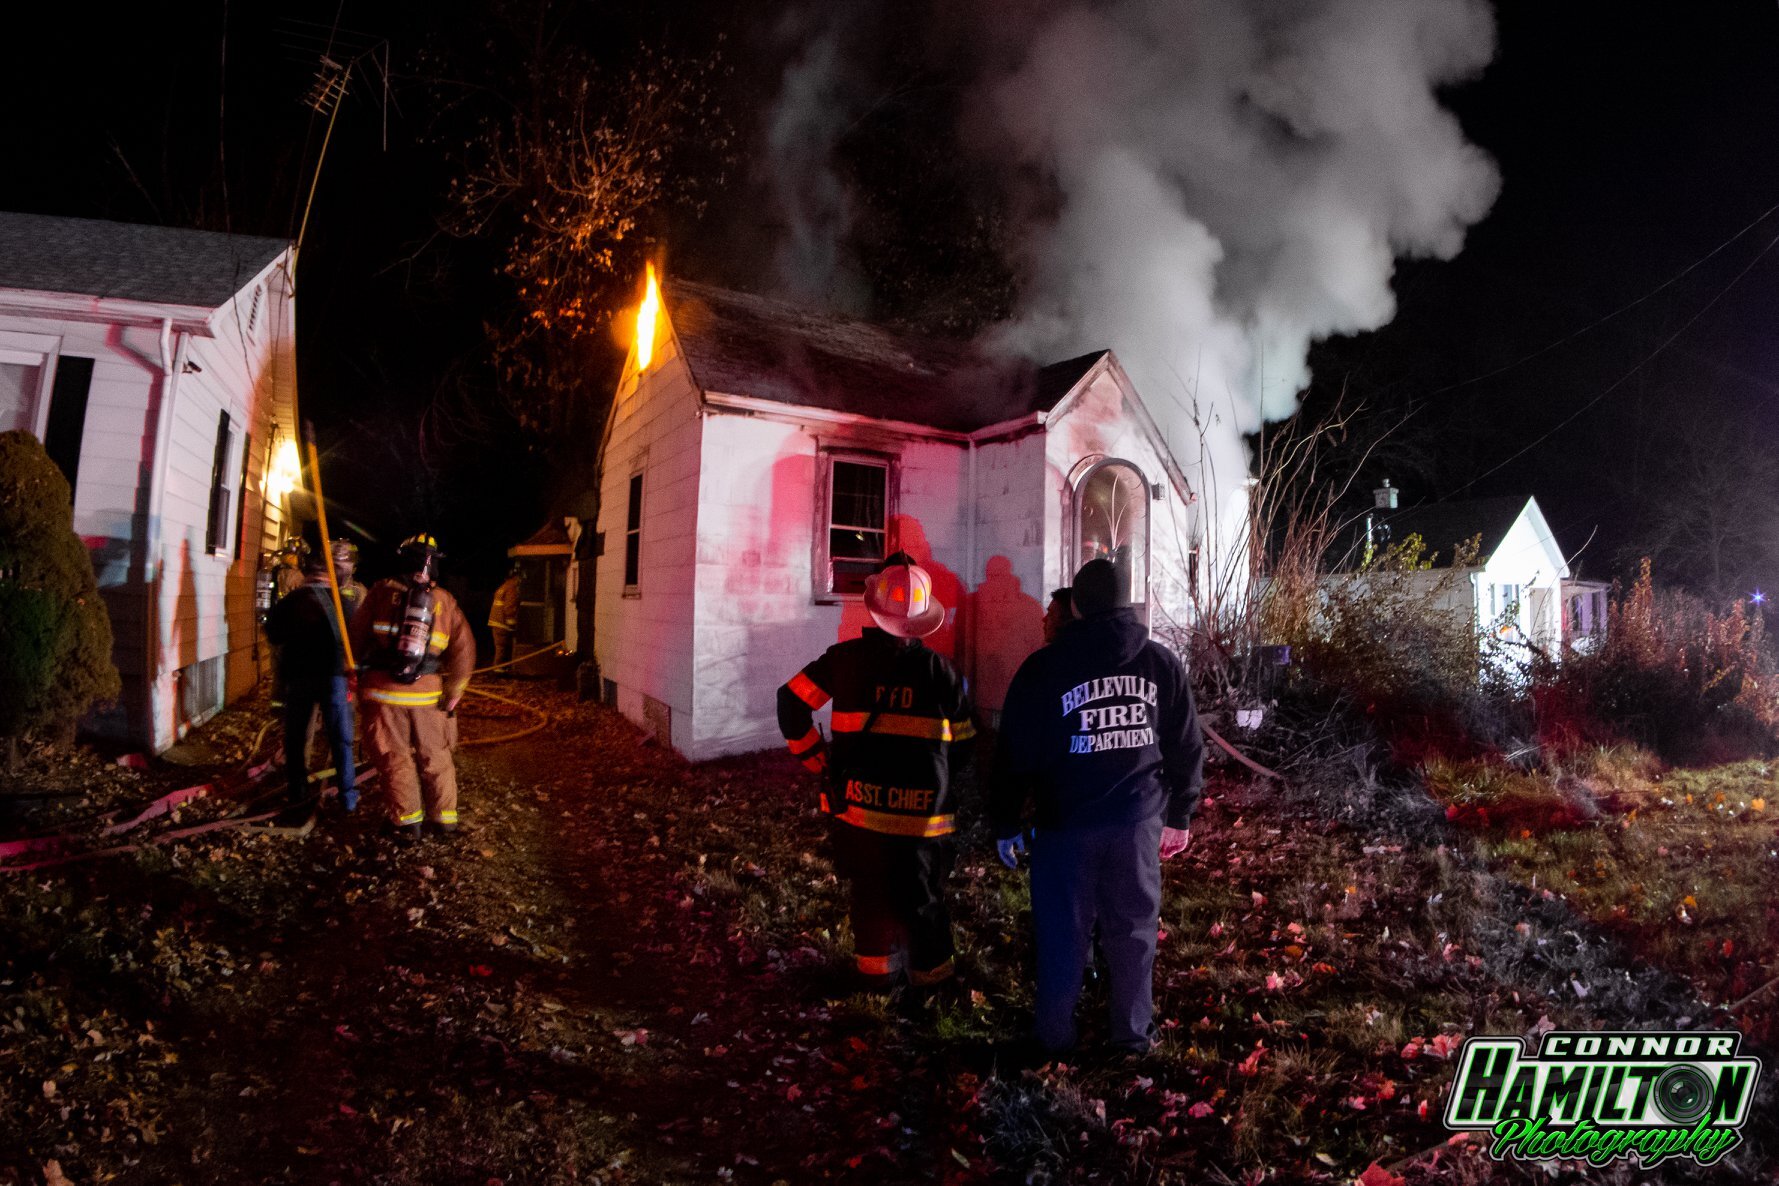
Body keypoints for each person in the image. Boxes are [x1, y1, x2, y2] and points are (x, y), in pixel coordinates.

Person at [990, 558, 1204, 1055]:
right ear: (1126, 602)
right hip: (1136, 824)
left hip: (1065, 827)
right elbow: (1187, 745)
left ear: (1077, 606)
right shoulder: (1160, 663)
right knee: (1132, 932)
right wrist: (1179, 815)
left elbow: (1014, 752)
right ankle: (1131, 1038)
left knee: (1063, 932)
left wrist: (1004, 820)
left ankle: (1054, 1039)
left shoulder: (1043, 669)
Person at [777, 552, 976, 1001]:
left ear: (873, 607)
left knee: (870, 895)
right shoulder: (943, 675)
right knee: (923, 900)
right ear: (925, 618)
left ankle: (877, 980)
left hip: (860, 814)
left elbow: (790, 702)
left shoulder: (843, 661)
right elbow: (964, 746)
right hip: (924, 822)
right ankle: (934, 986)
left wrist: (816, 760)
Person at [350, 534, 475, 842]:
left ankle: (407, 825)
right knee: (436, 756)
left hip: (382, 694)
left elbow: (355, 637)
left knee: (395, 758)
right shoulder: (444, 601)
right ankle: (445, 821)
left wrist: (350, 675)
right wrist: (456, 690)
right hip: (429, 695)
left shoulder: (380, 592)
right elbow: (464, 649)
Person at [263, 546, 358, 828]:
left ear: (307, 573)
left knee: (296, 738)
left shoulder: (290, 601)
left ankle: (298, 794)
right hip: (334, 679)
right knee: (340, 738)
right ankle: (348, 797)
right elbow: (357, 639)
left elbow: (274, 635)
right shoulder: (344, 603)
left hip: (299, 678)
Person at [488, 564, 522, 674]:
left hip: (496, 621)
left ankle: (500, 668)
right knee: (502, 647)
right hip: (502, 623)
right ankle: (499, 669)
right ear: (516, 577)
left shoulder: (503, 586)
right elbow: (510, 606)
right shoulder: (512, 587)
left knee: (500, 646)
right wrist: (512, 623)